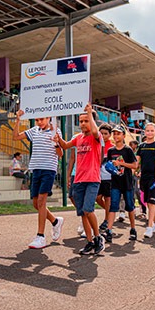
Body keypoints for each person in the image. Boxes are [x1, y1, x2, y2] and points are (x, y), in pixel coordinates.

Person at [54, 103, 105, 255]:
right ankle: (89, 242)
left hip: (92, 179)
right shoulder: (77, 138)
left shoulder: (96, 137)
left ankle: (98, 238)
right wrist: (58, 139)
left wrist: (90, 113)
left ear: (92, 120)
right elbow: (65, 145)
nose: (83, 123)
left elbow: (95, 131)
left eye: (86, 120)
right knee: (82, 212)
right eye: (81, 121)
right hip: (79, 180)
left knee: (89, 210)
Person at [13, 110, 64, 249]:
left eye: (42, 119)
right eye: (37, 120)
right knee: (36, 204)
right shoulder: (34, 131)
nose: (39, 122)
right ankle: (55, 221)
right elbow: (16, 137)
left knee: (42, 201)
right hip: (35, 169)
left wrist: (56, 143)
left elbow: (61, 154)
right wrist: (18, 120)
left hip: (49, 169)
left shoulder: (56, 132)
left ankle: (40, 236)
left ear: (49, 118)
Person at [103, 125, 139, 242]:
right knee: (113, 206)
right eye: (114, 133)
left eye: (118, 133)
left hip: (127, 182)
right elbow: (109, 164)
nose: (116, 136)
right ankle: (109, 230)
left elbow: (135, 165)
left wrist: (121, 164)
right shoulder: (111, 151)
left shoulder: (128, 150)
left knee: (129, 206)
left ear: (123, 136)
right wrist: (111, 167)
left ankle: (133, 229)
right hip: (115, 182)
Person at [136, 122, 155, 238]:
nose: (149, 132)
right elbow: (136, 162)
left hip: (154, 178)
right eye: (147, 130)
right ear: (144, 132)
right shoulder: (141, 146)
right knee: (148, 202)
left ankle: (149, 227)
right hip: (143, 178)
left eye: (152, 131)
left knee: (152, 202)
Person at [97, 123, 114, 233]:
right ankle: (110, 213)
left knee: (108, 198)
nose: (103, 136)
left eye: (105, 134)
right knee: (97, 198)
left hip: (108, 177)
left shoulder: (112, 147)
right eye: (101, 133)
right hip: (97, 176)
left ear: (110, 135)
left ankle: (107, 219)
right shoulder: (96, 144)